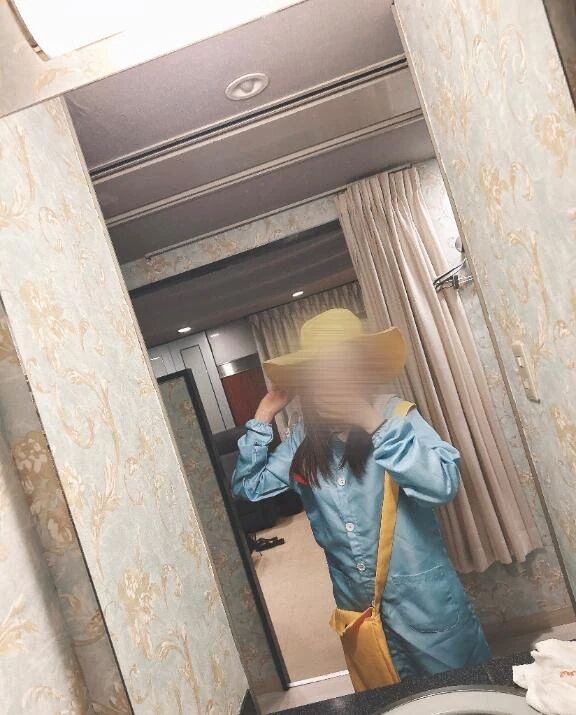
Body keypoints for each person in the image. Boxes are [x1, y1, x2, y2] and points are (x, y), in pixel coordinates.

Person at [232, 309, 490, 682]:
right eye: (319, 372)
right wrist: (262, 417)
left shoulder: (397, 415)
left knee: (459, 690)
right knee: (387, 700)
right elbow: (249, 487)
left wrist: (372, 422)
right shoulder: (304, 437)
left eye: (341, 367)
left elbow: (442, 485)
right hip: (357, 608)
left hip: (424, 604)